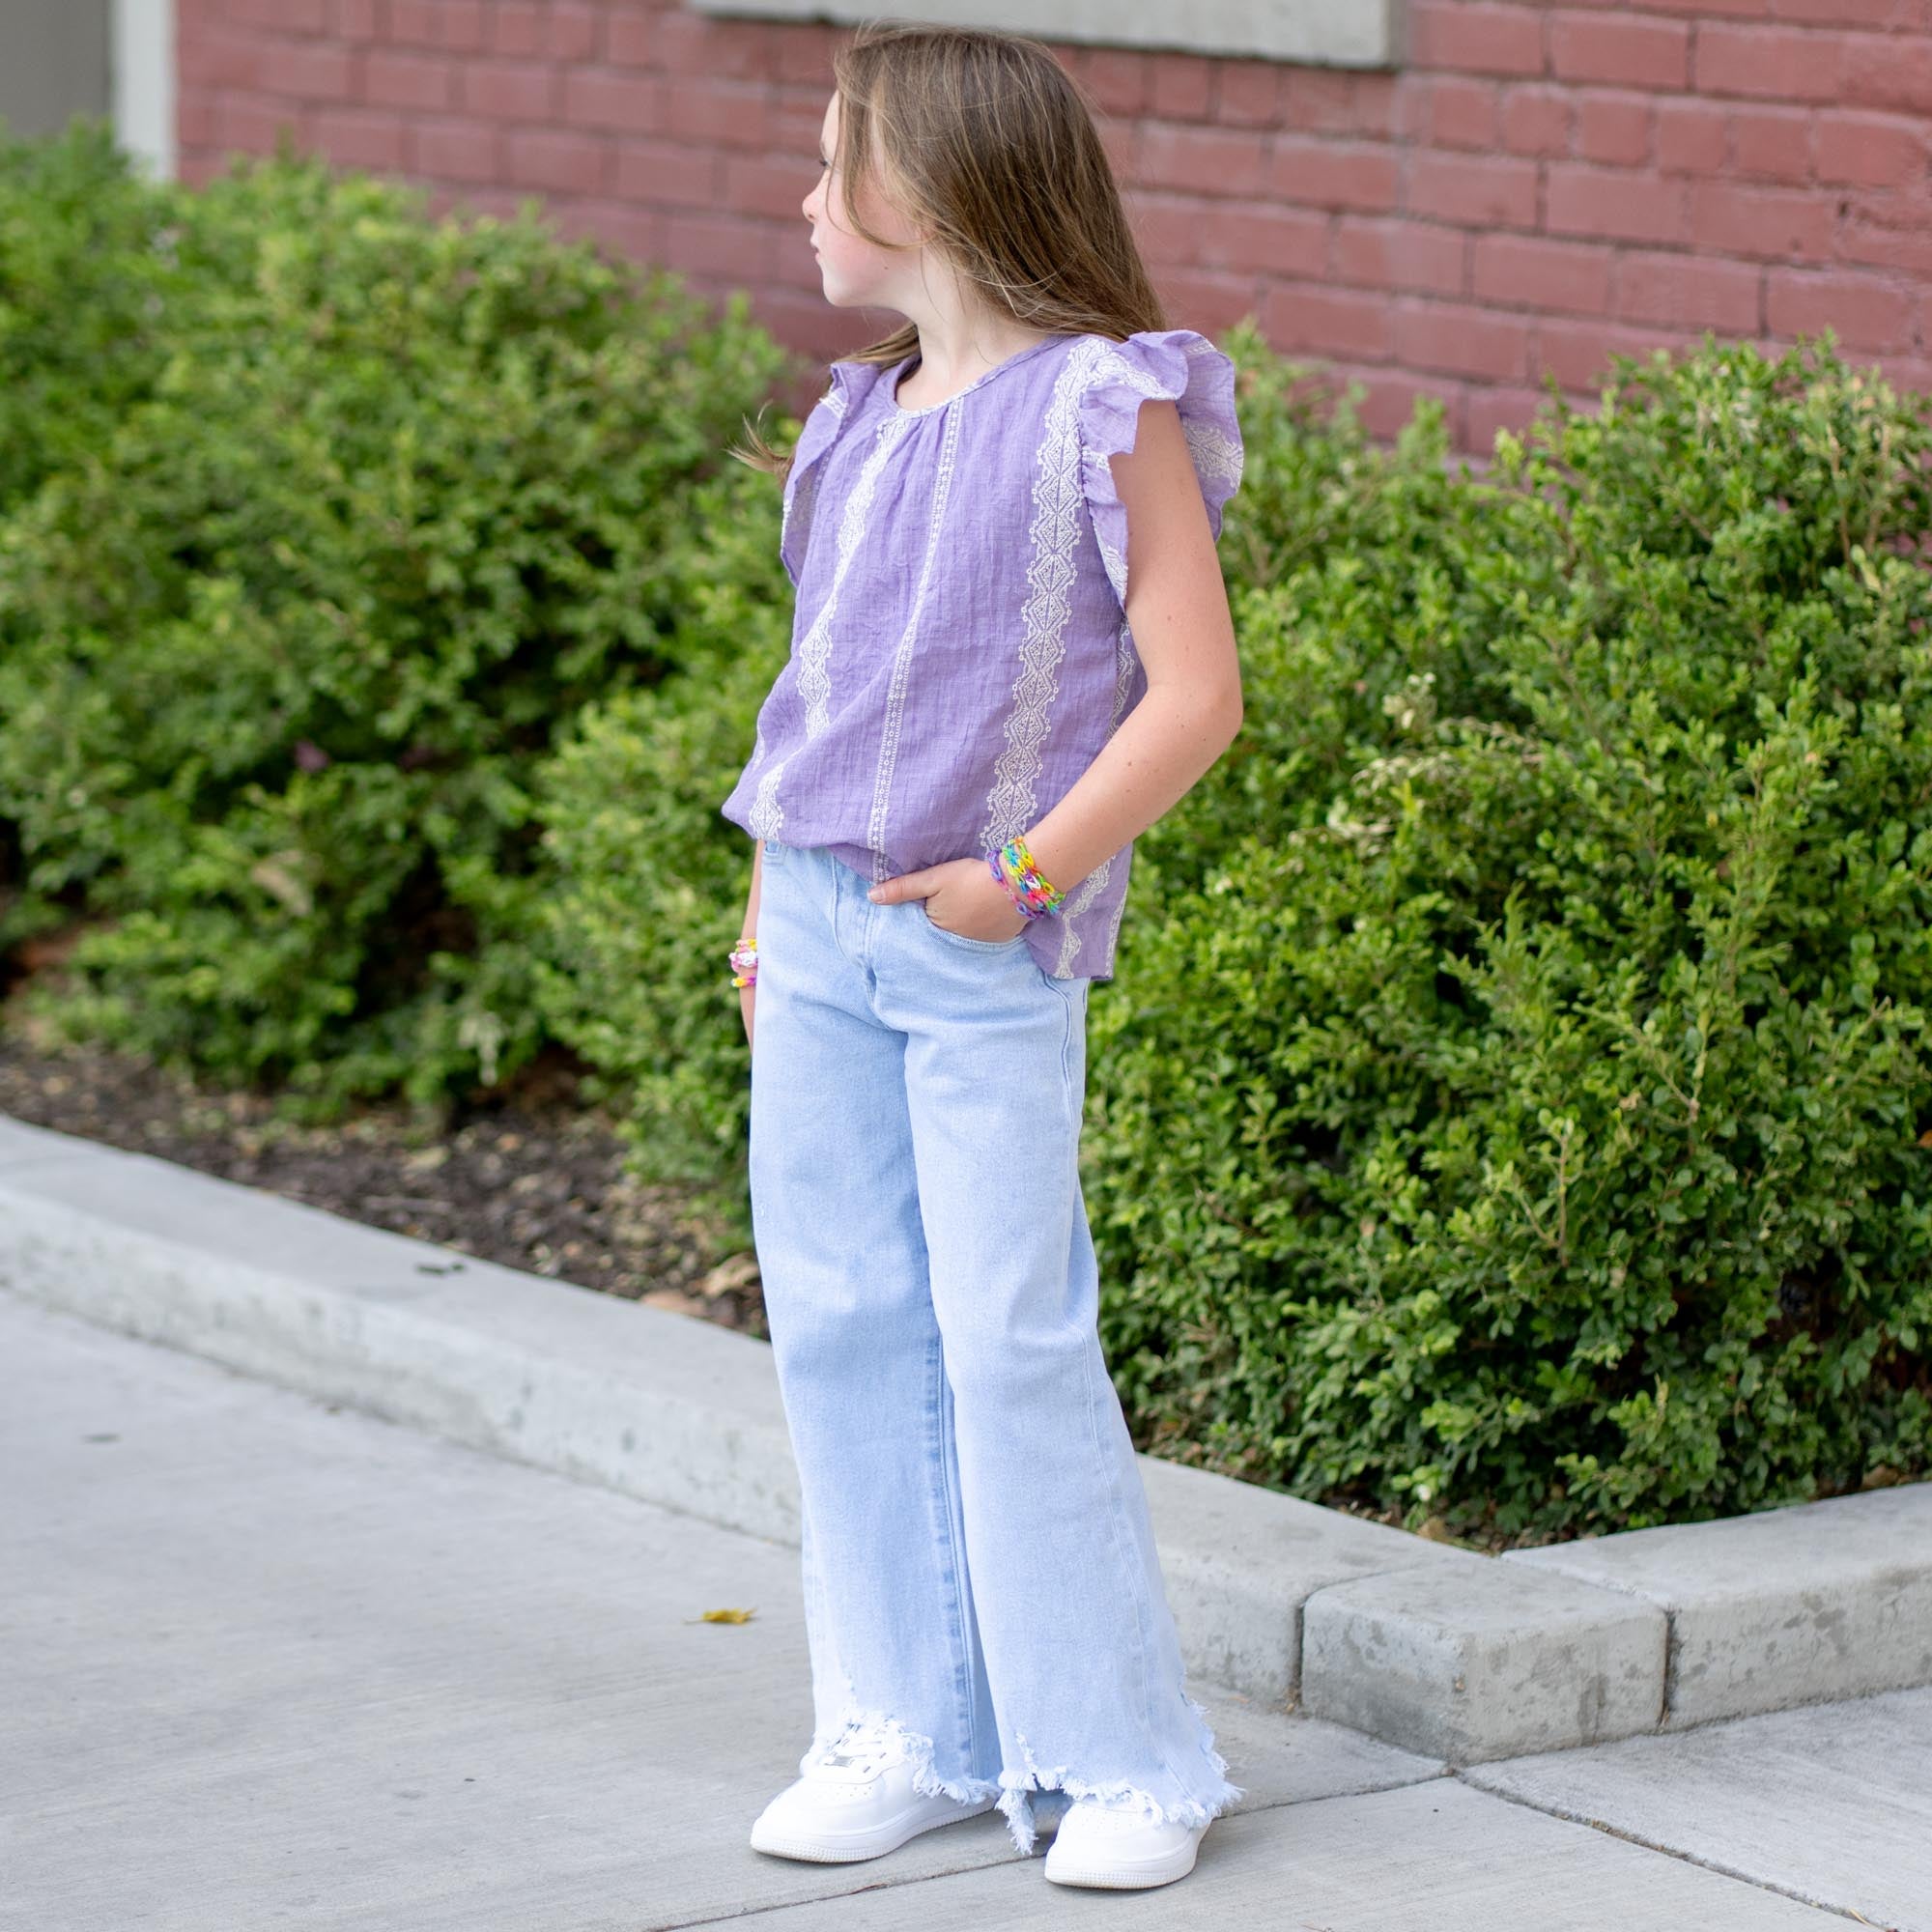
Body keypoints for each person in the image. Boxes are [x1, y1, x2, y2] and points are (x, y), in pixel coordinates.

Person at [718, 20, 1247, 1893]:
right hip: (815, 929)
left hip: (979, 948)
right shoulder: (855, 416)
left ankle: (1122, 1762)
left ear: (929, 188)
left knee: (1010, 1338)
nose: (805, 197)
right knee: (843, 1323)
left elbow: (1195, 698)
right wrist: (763, 920)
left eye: (830, 161)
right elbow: (820, 696)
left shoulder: (1108, 402)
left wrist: (1019, 881)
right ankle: (902, 1727)